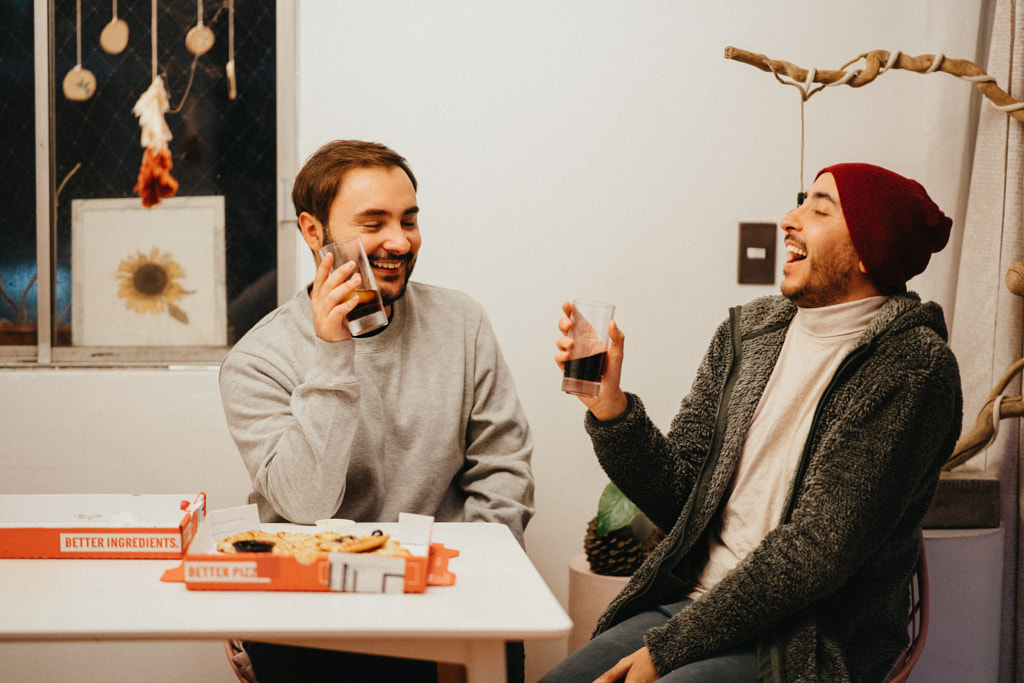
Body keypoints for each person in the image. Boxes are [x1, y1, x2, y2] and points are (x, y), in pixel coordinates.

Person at [545, 163, 962, 683]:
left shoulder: (911, 368)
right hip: (694, 606)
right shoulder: (750, 333)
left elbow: (815, 554)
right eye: (799, 201)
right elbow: (683, 501)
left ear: (865, 251)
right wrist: (612, 409)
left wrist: (666, 652)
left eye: (818, 208)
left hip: (807, 639)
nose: (789, 219)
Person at [220, 140, 534, 682]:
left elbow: (503, 472)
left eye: (409, 220)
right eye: (373, 223)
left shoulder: (462, 322)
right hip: (315, 608)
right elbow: (304, 505)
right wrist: (334, 354)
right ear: (313, 232)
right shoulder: (256, 359)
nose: (399, 240)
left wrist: (471, 586)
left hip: (443, 589)